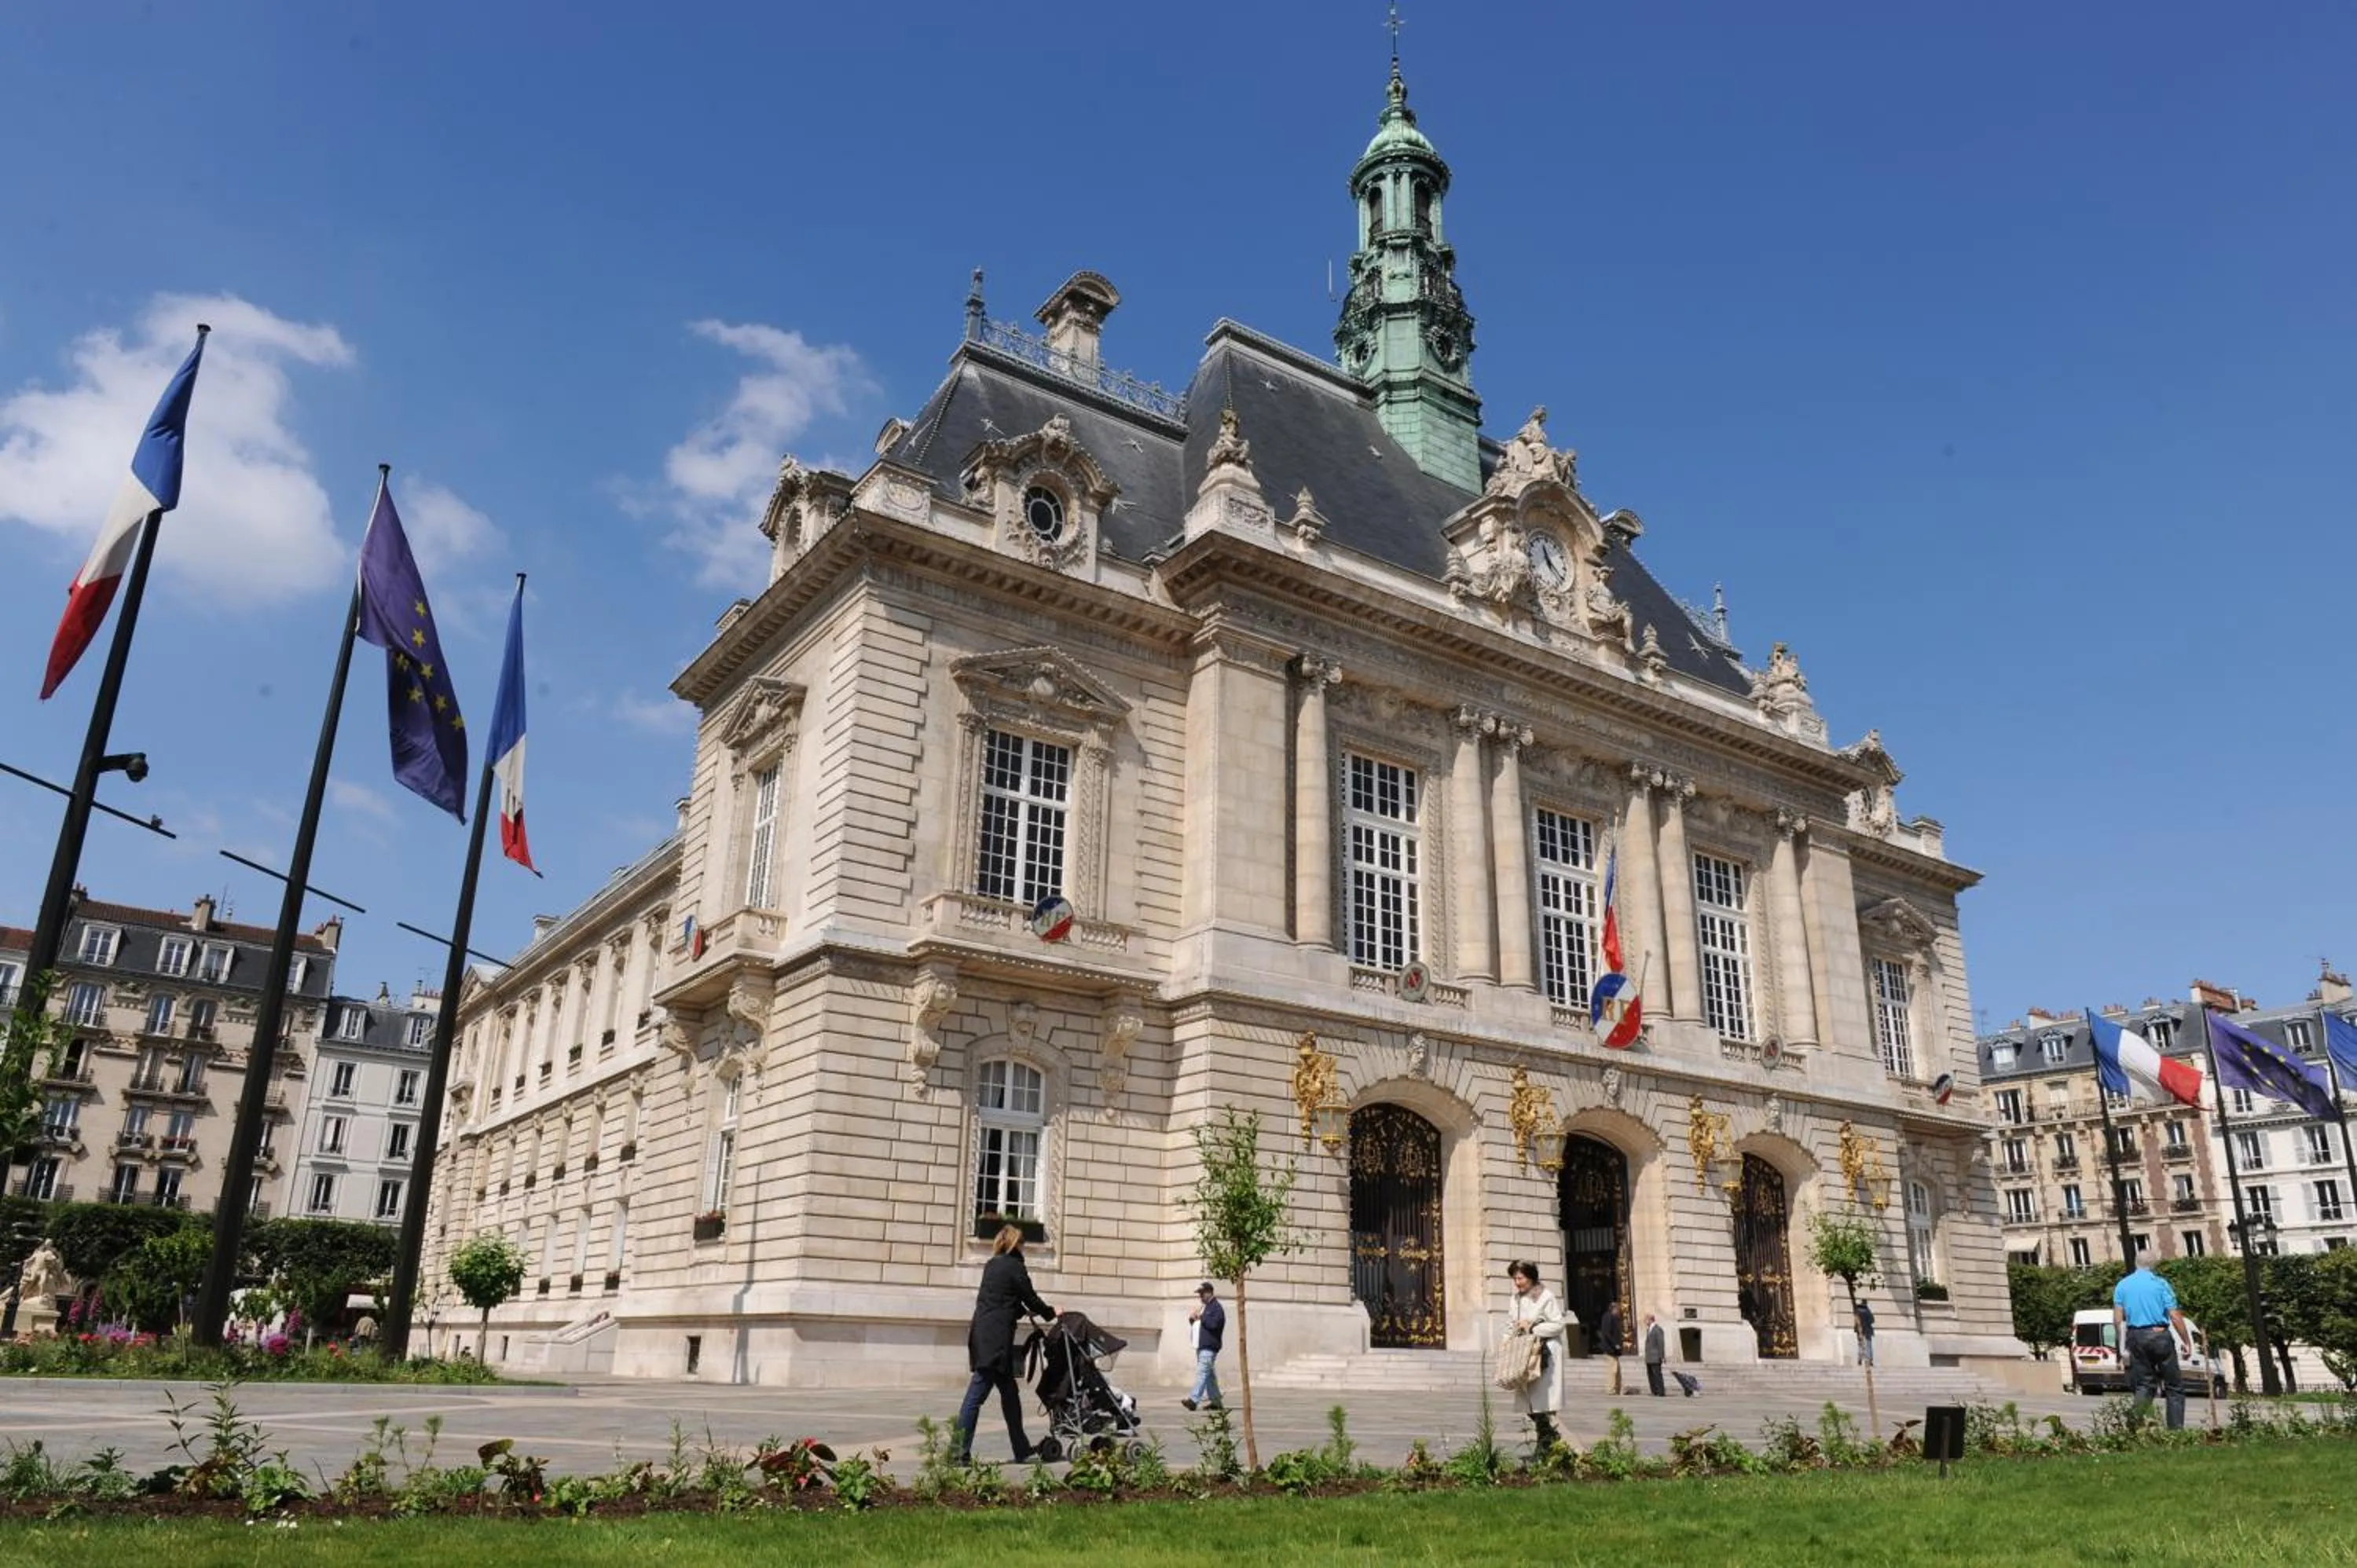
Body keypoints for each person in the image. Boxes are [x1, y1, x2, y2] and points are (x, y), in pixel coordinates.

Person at [955, 1226, 1056, 1463]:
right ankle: (958, 1452)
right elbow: (1029, 1296)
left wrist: (1020, 1310)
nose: (1023, 1248)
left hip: (983, 1334)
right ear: (1016, 1244)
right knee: (976, 1396)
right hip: (996, 1342)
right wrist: (1051, 1312)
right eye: (1021, 1244)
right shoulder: (1014, 1266)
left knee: (1010, 1395)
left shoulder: (993, 1265)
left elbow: (1000, 1299)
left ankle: (1021, 1450)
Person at [2111, 1249, 2190, 1430]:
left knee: (2145, 1384)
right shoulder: (2161, 1284)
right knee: (2174, 1386)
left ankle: (2133, 1426)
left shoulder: (2122, 1285)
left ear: (2136, 1263)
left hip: (2135, 1337)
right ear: (2154, 1265)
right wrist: (2186, 1341)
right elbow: (2175, 1315)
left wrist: (2122, 1346)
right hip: (2159, 1334)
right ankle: (2175, 1431)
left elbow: (2117, 1319)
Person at [1505, 1262, 1570, 1451]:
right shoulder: (1515, 1299)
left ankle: (1546, 1444)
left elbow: (1558, 1324)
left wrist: (1533, 1327)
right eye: (1515, 1278)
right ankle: (1550, 1439)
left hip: (1544, 1355)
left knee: (1542, 1403)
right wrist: (1505, 1342)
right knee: (1528, 1402)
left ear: (1531, 1277)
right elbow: (1510, 1324)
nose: (1517, 1283)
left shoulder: (1545, 1296)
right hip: (1523, 1354)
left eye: (1520, 1278)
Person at [1182, 1280, 1226, 1412]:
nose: (1200, 1297)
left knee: (1202, 1373)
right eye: (1199, 1294)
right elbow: (1198, 1325)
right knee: (1209, 1376)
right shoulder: (1205, 1307)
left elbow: (1214, 1325)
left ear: (1209, 1293)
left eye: (1202, 1294)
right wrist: (1193, 1318)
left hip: (1210, 1346)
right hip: (1201, 1345)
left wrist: (1202, 1317)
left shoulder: (1216, 1308)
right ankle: (1216, 1401)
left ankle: (1193, 1400)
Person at [1596, 1299, 1626, 1397]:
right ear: (1614, 1309)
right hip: (1610, 1348)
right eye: (1618, 1309)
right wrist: (1615, 1344)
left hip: (1613, 1350)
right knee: (1613, 1370)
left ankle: (1618, 1388)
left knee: (1617, 1370)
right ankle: (1611, 1389)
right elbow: (1607, 1333)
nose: (1619, 1311)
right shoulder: (1608, 1317)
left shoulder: (1613, 1317)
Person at [1641, 1310, 1667, 1397]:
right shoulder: (1649, 1329)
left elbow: (1661, 1343)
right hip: (1649, 1357)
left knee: (1657, 1374)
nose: (1644, 1322)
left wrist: (1662, 1356)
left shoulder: (1657, 1329)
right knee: (1650, 1375)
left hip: (1655, 1356)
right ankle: (1654, 1391)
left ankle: (1661, 1391)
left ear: (1650, 1320)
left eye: (1646, 1320)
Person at [1853, 1299, 1875, 1369]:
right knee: (1868, 1345)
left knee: (1860, 1344)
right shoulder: (1868, 1310)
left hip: (1860, 1330)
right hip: (1868, 1330)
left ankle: (1860, 1359)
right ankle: (1870, 1360)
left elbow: (1856, 1320)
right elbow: (1872, 1320)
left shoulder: (1857, 1310)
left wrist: (1856, 1329)